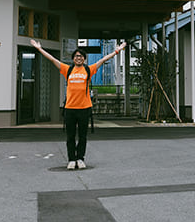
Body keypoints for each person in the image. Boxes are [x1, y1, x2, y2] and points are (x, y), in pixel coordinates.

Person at [30, 39, 127, 170]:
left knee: (82, 136)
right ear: (73, 59)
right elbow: (53, 60)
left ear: (84, 59)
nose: (78, 58)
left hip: (84, 109)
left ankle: (80, 159)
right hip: (70, 109)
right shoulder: (67, 69)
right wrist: (39, 49)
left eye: (81, 56)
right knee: (70, 136)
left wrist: (117, 50)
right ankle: (71, 159)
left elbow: (103, 60)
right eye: (76, 56)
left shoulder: (88, 70)